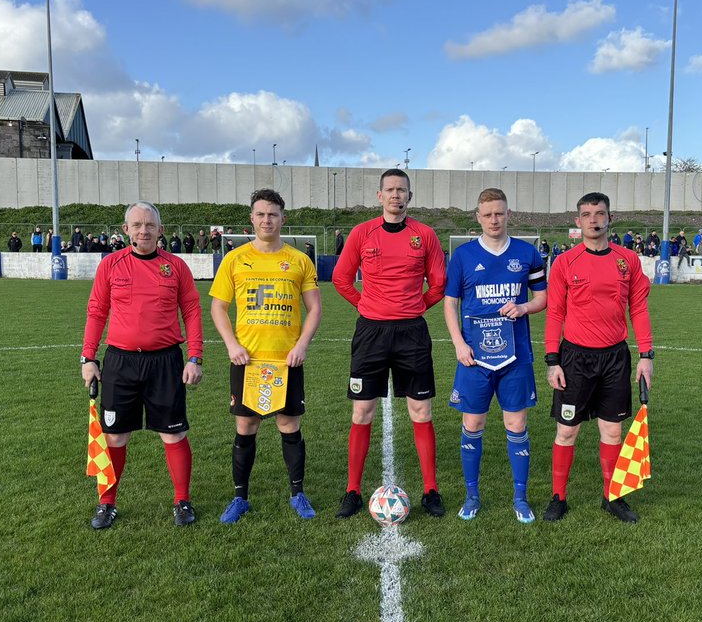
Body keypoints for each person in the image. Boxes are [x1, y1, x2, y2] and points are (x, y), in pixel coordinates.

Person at [80, 201, 204, 530]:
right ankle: (107, 503)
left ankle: (182, 500)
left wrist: (195, 356)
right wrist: (88, 357)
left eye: (150, 225)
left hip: (165, 361)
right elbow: (96, 311)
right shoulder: (110, 265)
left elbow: (192, 310)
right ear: (126, 230)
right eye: (137, 225)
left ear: (161, 231)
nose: (143, 230)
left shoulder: (176, 267)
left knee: (173, 434)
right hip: (120, 361)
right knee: (115, 437)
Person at [332, 168, 447, 519]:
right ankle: (353, 490)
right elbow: (341, 278)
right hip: (371, 333)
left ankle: (431, 490)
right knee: (362, 410)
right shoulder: (362, 233)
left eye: (402, 190)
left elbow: (438, 284)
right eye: (390, 190)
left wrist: (414, 307)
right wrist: (366, 305)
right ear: (379, 196)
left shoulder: (424, 235)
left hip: (412, 332)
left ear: (410, 196)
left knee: (421, 410)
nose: (396, 195)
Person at [210, 189, 323, 523]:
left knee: (289, 425)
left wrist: (301, 345)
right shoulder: (235, 259)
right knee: (246, 425)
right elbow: (218, 306)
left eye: (272, 214)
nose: (266, 220)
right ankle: (240, 498)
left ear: (282, 218)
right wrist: (232, 345)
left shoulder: (299, 260)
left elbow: (315, 308)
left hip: (287, 360)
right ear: (252, 218)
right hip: (248, 360)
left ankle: (297, 493)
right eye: (260, 214)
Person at [543, 192, 654, 523]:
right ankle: (558, 497)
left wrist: (645, 355)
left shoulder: (628, 260)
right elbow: (554, 313)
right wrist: (553, 360)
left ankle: (612, 497)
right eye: (587, 214)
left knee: (613, 431)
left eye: (600, 213)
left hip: (615, 358)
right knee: (567, 431)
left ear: (610, 218)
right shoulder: (565, 262)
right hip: (575, 358)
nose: (593, 219)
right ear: (577, 221)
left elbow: (640, 309)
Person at [443, 188, 547, 523]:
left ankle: (520, 497)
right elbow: (450, 303)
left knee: (516, 423)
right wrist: (458, 342)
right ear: (478, 217)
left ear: (508, 214)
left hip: (515, 356)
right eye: (487, 214)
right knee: (472, 422)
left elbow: (542, 299)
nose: (493, 220)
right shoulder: (462, 256)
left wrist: (523, 306)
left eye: (499, 213)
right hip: (474, 356)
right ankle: (472, 495)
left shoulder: (527, 254)